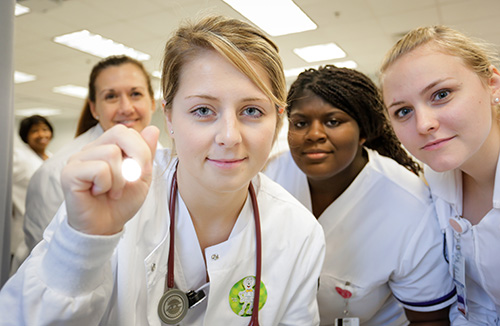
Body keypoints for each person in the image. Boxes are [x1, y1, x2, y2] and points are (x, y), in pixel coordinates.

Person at [0, 15, 325, 325]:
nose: (229, 136)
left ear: (278, 118)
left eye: (252, 110)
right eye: (202, 110)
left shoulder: (299, 234)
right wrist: (83, 244)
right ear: (168, 117)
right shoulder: (109, 199)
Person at [264, 65, 456, 326]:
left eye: (333, 121)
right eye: (300, 123)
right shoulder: (268, 178)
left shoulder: (409, 205)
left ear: (363, 131)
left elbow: (430, 319)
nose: (314, 134)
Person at [380, 25, 500, 325]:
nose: (423, 124)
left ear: (493, 84)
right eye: (403, 111)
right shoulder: (435, 180)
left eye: (441, 94)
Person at [23, 54, 157, 251]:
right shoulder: (55, 172)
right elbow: (44, 259)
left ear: (152, 102)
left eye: (135, 94)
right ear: (94, 108)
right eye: (111, 96)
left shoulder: (169, 161)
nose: (126, 108)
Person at [10, 115, 53, 273]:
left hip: (46, 224)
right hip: (23, 227)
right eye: (35, 131)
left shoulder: (51, 156)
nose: (42, 134)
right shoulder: (18, 158)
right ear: (25, 136)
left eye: (45, 129)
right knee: (20, 273)